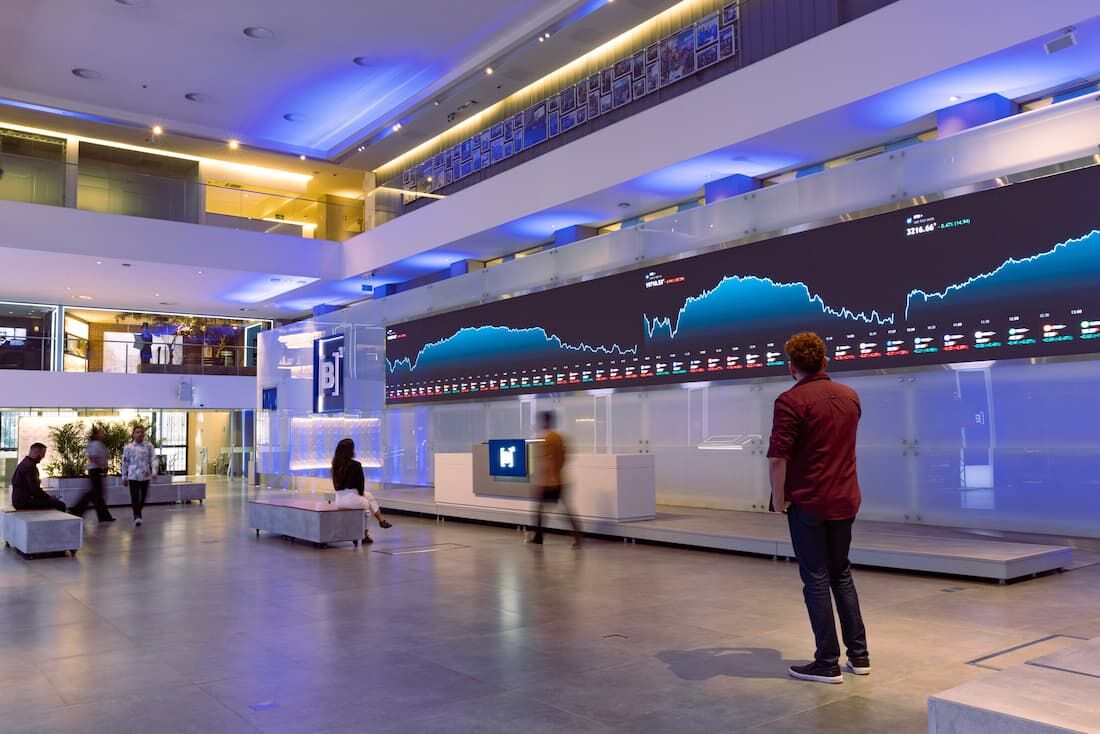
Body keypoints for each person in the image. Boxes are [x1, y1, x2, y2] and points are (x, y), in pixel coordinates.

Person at [767, 332, 869, 685]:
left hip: (809, 501)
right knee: (841, 574)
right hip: (845, 498)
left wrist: (778, 499)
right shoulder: (850, 396)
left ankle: (827, 662)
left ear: (791, 367)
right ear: (825, 361)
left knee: (816, 578)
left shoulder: (790, 401)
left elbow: (778, 458)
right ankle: (859, 656)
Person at [528, 411, 582, 547]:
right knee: (559, 509)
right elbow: (564, 456)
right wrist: (557, 473)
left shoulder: (548, 439)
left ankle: (539, 537)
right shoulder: (559, 437)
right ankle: (576, 537)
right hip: (560, 479)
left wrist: (549, 479)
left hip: (550, 482)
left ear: (544, 422)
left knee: (541, 509)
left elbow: (549, 460)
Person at [331, 438, 391, 544]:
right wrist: (361, 494)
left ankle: (381, 520)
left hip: (339, 499)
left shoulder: (335, 465)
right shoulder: (356, 465)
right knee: (366, 505)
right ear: (350, 450)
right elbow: (360, 485)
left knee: (369, 496)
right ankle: (364, 535)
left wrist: (361, 494)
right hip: (352, 498)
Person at [70, 427, 116, 522]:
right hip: (95, 470)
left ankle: (101, 516)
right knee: (95, 494)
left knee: (96, 494)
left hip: (96, 470)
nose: (103, 435)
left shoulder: (99, 444)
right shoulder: (95, 444)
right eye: (100, 433)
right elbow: (93, 457)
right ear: (96, 435)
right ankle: (78, 511)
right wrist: (102, 466)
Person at [10, 443, 67, 511]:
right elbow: (35, 490)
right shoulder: (30, 467)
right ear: (37, 452)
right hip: (24, 503)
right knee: (60, 505)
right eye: (43, 454)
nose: (43, 457)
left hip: (18, 501)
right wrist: (49, 498)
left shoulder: (24, 463)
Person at [121, 426, 157, 527]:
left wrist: (154, 471)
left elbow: (154, 459)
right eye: (137, 432)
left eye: (141, 432)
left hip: (145, 475)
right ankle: (137, 516)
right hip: (133, 476)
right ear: (133, 434)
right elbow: (125, 462)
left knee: (144, 496)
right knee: (135, 496)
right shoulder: (128, 448)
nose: (140, 434)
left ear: (144, 434)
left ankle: (137, 512)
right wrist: (124, 476)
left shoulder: (149, 446)